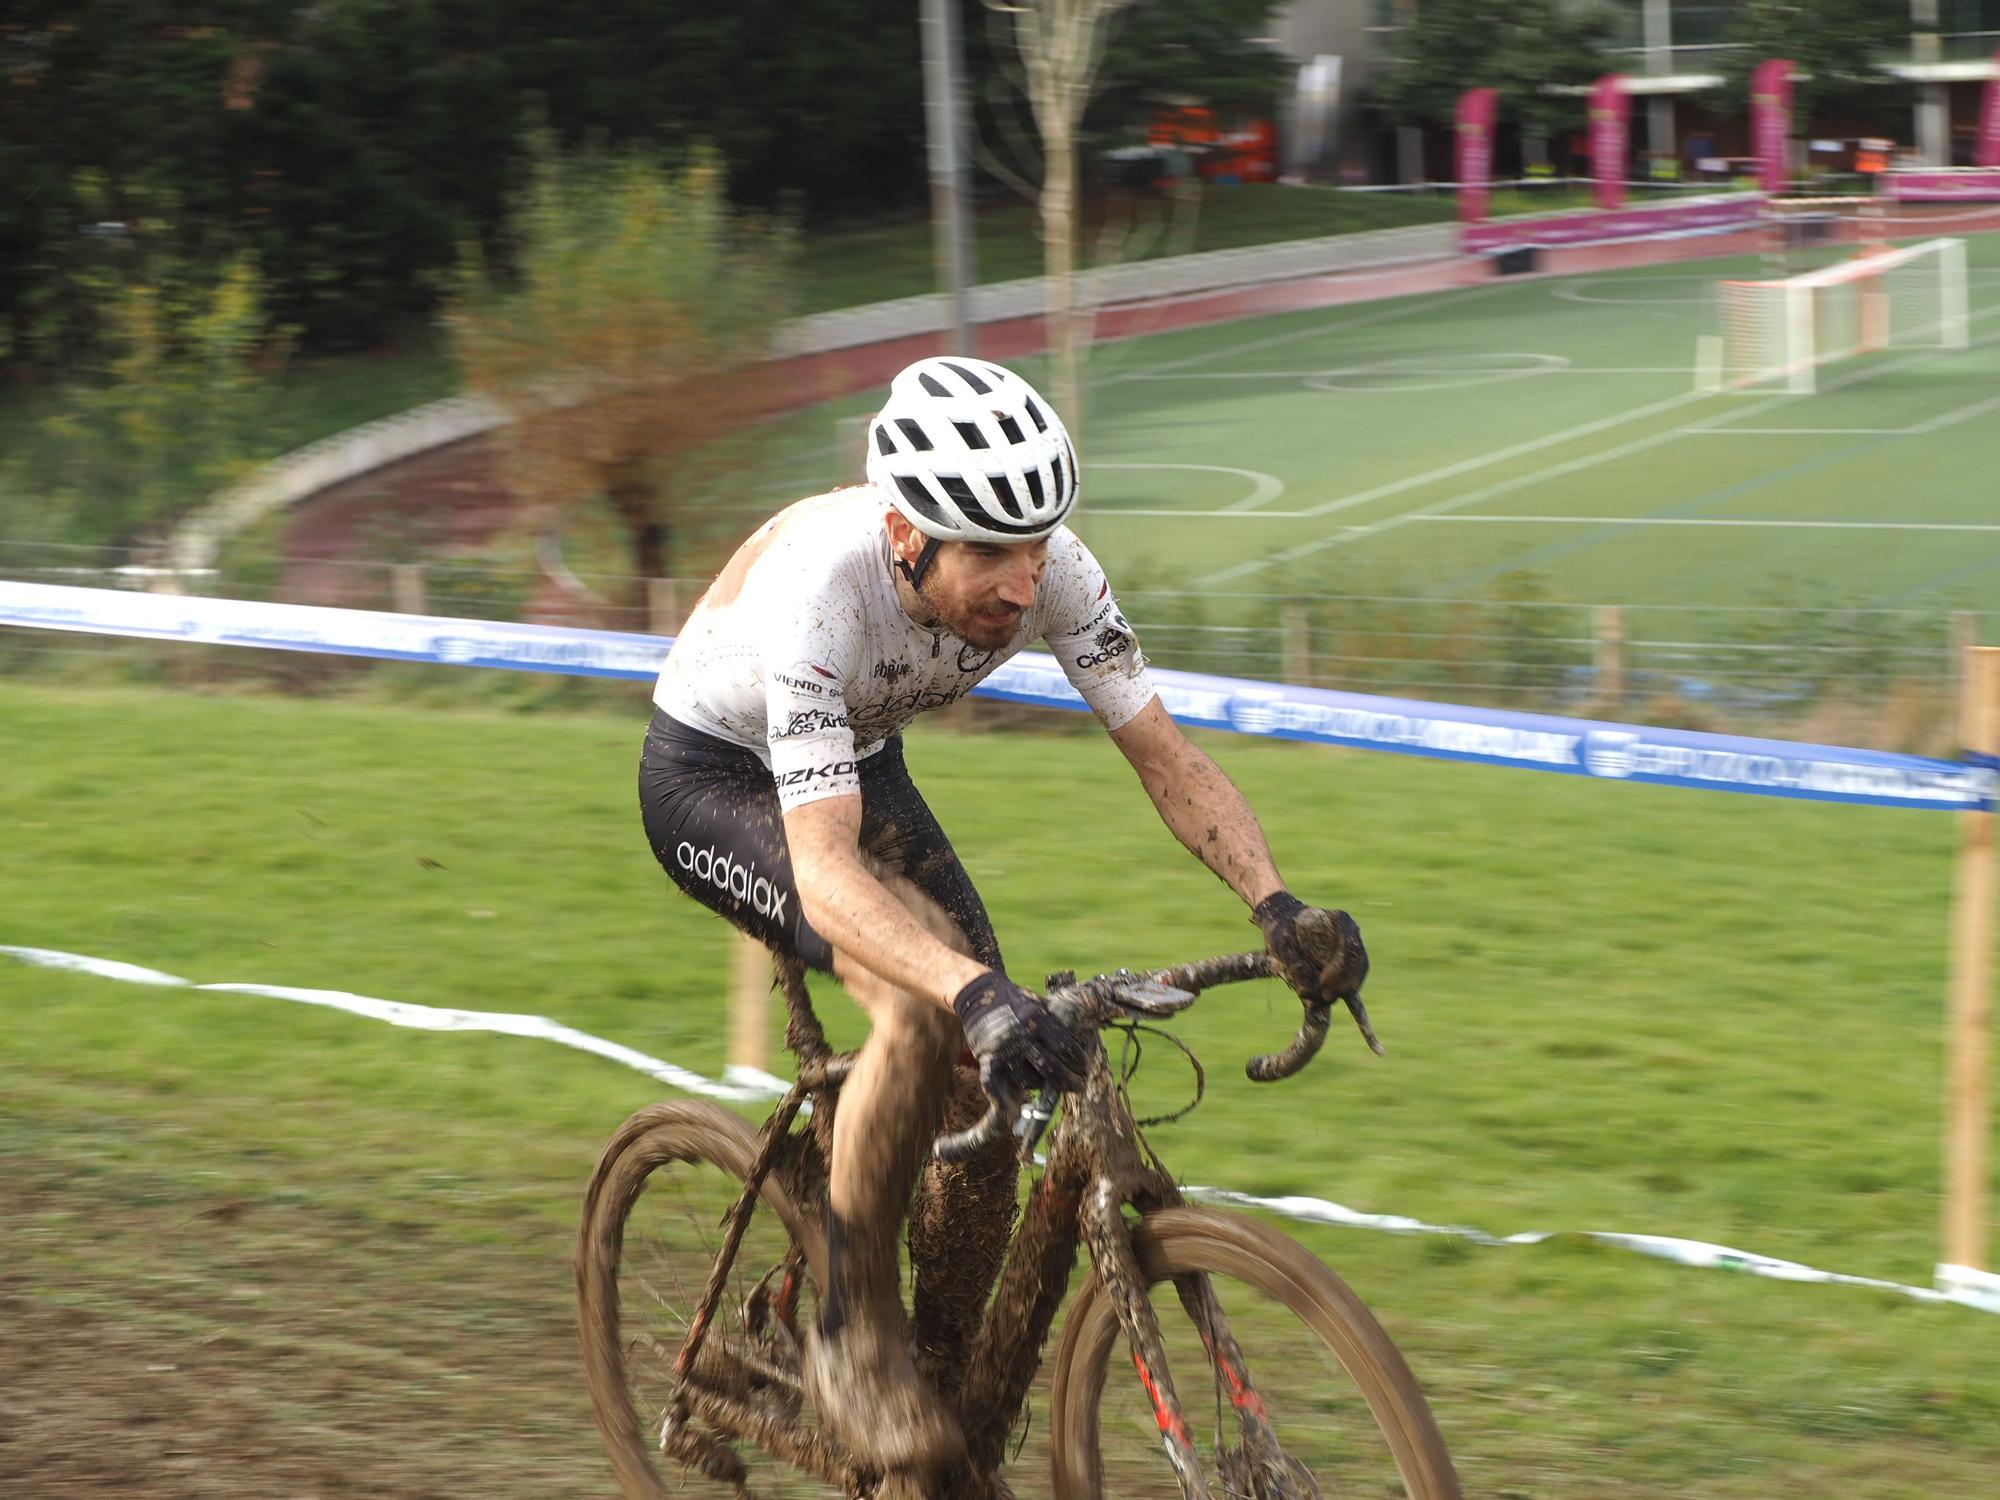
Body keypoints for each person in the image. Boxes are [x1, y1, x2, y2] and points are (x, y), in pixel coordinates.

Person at [638, 355, 1368, 1481]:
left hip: (855, 759)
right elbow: (825, 871)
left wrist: (1275, 903)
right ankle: (846, 1321)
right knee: (927, 1012)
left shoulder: (1053, 568)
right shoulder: (819, 591)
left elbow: (1165, 760)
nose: (1021, 587)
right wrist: (963, 991)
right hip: (716, 777)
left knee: (999, 1070)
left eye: (1034, 547)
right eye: (986, 554)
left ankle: (936, 1370)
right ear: (902, 534)